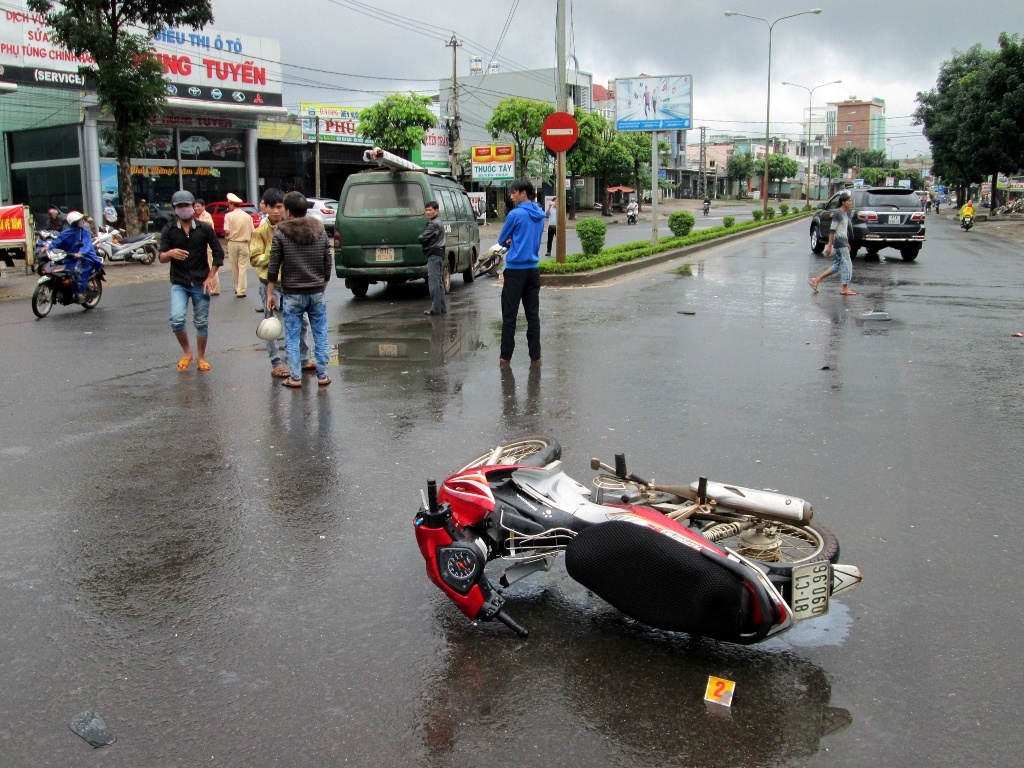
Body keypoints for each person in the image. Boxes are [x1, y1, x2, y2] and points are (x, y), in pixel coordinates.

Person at [266, 191, 332, 388]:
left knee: (292, 336)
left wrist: (270, 292)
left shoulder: (281, 233)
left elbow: (273, 265)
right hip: (316, 291)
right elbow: (327, 261)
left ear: (287, 210)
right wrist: (323, 284)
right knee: (320, 334)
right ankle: (323, 376)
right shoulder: (319, 231)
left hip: (292, 293)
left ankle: (295, 377)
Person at [251, 187, 315, 377]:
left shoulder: (292, 228)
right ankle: (276, 363)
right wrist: (273, 255)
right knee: (271, 325)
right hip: (269, 284)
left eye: (280, 207)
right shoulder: (260, 231)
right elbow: (254, 258)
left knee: (301, 322)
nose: (276, 211)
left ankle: (303, 359)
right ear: (265, 208)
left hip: (292, 284)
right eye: (272, 207)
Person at [159, 189, 224, 372]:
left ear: (193, 207)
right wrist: (170, 254)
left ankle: (201, 357)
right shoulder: (169, 230)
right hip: (179, 283)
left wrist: (210, 276)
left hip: (200, 282)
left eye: (187, 205)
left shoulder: (204, 228)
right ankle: (187, 352)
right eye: (180, 206)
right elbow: (161, 257)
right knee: (176, 319)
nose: (184, 209)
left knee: (201, 322)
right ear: (174, 209)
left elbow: (218, 253)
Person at [497, 178, 546, 366]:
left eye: (513, 192)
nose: (511, 195)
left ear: (523, 193)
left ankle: (505, 358)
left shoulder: (515, 214)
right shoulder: (540, 215)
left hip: (515, 271)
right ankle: (536, 357)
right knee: (532, 316)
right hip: (533, 270)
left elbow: (502, 240)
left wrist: (511, 241)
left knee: (509, 317)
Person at [809, 190, 856, 296]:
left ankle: (817, 279)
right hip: (840, 244)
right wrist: (829, 245)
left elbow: (843, 230)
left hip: (843, 242)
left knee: (836, 266)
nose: (850, 202)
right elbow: (832, 230)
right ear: (843, 202)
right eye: (849, 201)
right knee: (848, 265)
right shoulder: (838, 214)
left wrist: (847, 242)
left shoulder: (845, 214)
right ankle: (844, 288)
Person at [50, 211, 102, 296]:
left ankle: (80, 292)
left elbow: (86, 244)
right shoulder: (67, 232)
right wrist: (48, 247)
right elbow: (58, 240)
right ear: (74, 223)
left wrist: (81, 253)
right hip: (70, 256)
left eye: (82, 220)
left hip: (86, 257)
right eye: (80, 220)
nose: (82, 221)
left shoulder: (85, 232)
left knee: (80, 271)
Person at [419, 200, 447, 315]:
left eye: (430, 210)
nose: (428, 212)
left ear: (436, 210)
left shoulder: (433, 224)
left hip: (434, 253)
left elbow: (422, 238)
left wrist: (421, 237)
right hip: (439, 253)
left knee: (434, 281)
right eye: (426, 210)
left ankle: (435, 309)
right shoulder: (439, 221)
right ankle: (442, 307)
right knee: (439, 281)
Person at [223, 192, 254, 297]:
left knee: (234, 267)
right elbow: (253, 231)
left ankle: (237, 288)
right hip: (244, 243)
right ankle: (241, 290)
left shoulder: (228, 216)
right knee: (242, 267)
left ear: (231, 204)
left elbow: (226, 231)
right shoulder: (247, 216)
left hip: (232, 243)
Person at [192, 199, 219, 295]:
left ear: (203, 206)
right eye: (195, 206)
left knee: (211, 266)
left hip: (208, 244)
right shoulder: (200, 216)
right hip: (203, 244)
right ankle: (212, 288)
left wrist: (197, 221)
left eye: (198, 206)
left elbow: (209, 223)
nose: (196, 208)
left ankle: (214, 289)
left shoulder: (206, 216)